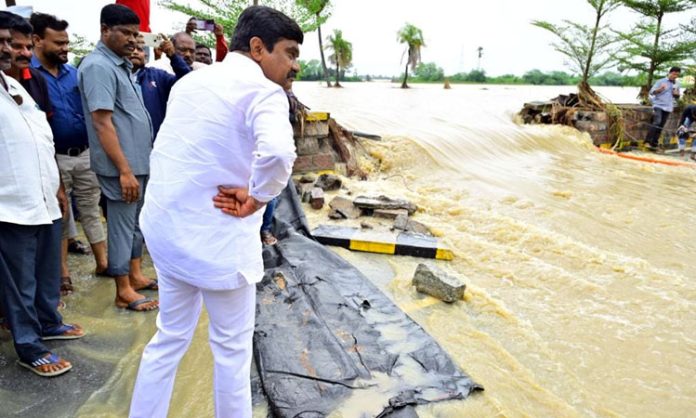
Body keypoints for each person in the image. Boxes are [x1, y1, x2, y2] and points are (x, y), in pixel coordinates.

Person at [129, 6, 301, 417]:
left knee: (168, 338)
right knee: (231, 351)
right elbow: (278, 153)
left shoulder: (193, 82)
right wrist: (258, 197)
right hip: (218, 239)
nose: (295, 65)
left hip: (167, 231)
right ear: (258, 48)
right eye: (290, 53)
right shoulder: (264, 92)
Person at [0, 11, 85, 378]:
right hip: (11, 203)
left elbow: (40, 140)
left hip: (46, 198)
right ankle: (29, 346)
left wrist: (58, 187)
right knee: (20, 283)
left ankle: (49, 322)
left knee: (46, 271)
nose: (13, 51)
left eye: (19, 44)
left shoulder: (17, 86)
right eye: (5, 42)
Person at [78, 4, 158, 312]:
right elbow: (102, 122)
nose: (133, 41)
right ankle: (122, 289)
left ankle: (134, 275)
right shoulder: (98, 66)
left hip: (138, 163)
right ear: (104, 30)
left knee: (136, 224)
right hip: (122, 166)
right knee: (122, 226)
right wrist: (124, 169)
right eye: (125, 33)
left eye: (136, 34)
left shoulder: (120, 65)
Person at [30, 12, 108, 294]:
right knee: (60, 213)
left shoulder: (74, 73)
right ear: (37, 40)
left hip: (85, 153)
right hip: (53, 157)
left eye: (66, 42)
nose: (65, 48)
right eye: (58, 43)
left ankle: (103, 263)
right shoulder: (27, 75)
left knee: (91, 207)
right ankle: (62, 274)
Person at [130, 33, 190, 137]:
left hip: (152, 143)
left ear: (145, 55)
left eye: (139, 49)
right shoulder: (113, 74)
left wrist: (173, 56)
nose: (135, 52)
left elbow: (186, 81)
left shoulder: (157, 75)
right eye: (131, 49)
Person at [646, 66, 681, 151]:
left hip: (668, 106)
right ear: (669, 73)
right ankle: (647, 141)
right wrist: (660, 89)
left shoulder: (677, 84)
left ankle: (654, 143)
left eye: (677, 75)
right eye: (674, 74)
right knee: (657, 122)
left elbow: (677, 97)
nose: (675, 76)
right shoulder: (661, 81)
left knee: (661, 125)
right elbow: (652, 92)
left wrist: (676, 94)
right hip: (658, 105)